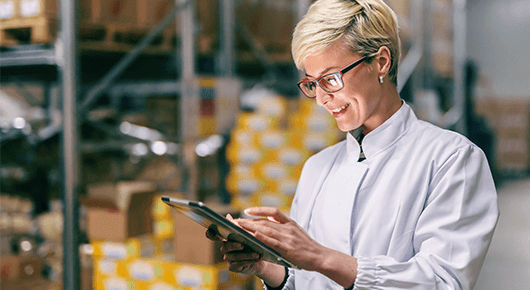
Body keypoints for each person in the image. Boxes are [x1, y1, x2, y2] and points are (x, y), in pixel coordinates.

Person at [207, 0, 499, 289]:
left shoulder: (452, 160)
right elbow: (307, 280)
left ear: (381, 62)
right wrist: (270, 268)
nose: (321, 98)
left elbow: (443, 281)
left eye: (331, 79)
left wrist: (319, 256)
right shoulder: (318, 168)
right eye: (311, 83)